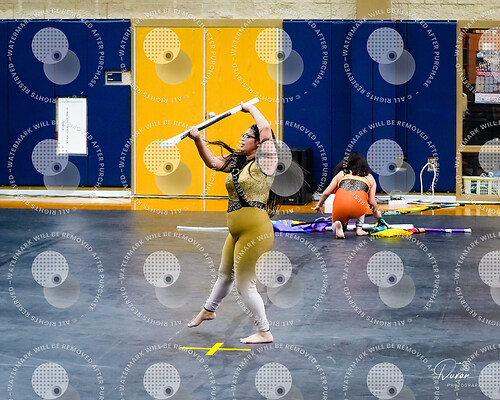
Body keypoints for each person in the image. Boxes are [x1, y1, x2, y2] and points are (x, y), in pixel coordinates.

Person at [187, 101, 278, 344]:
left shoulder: (266, 160)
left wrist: (250, 108)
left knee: (244, 285)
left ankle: (264, 331)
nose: (242, 138)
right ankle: (208, 310)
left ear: (258, 143)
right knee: (224, 274)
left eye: (247, 136)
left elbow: (265, 129)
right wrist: (198, 140)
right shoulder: (238, 161)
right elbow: (213, 163)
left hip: (256, 231)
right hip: (236, 231)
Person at [313, 152, 388, 238]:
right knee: (362, 200)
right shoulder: (369, 177)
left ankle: (338, 225)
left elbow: (326, 193)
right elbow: (372, 202)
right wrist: (377, 215)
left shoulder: (342, 174)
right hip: (358, 208)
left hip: (340, 207)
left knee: (337, 221)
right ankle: (359, 229)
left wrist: (319, 205)